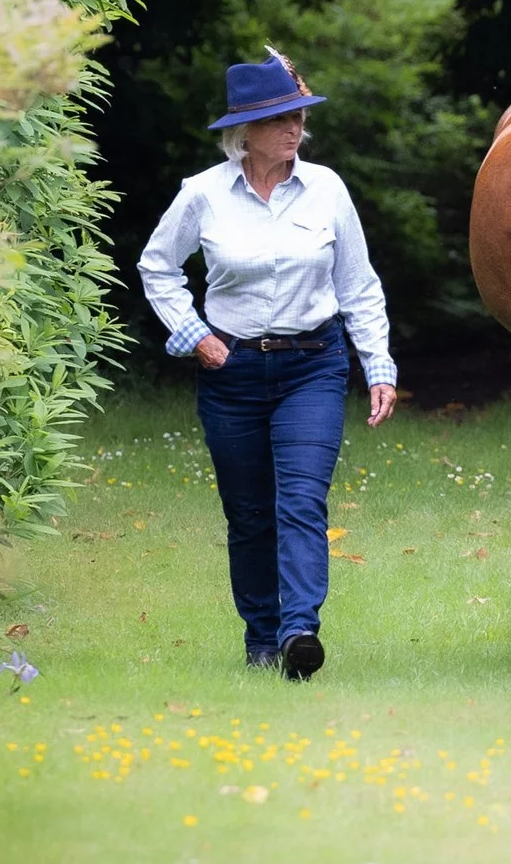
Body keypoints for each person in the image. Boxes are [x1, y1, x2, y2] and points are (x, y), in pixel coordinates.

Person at [139, 49, 397, 681]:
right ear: (243, 133)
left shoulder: (328, 188)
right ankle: (260, 635)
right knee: (249, 513)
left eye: (299, 117)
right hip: (231, 374)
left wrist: (379, 364)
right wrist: (195, 335)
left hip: (313, 364)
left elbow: (359, 284)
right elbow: (157, 268)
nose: (294, 129)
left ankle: (299, 630)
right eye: (280, 119)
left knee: (302, 502)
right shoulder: (201, 195)